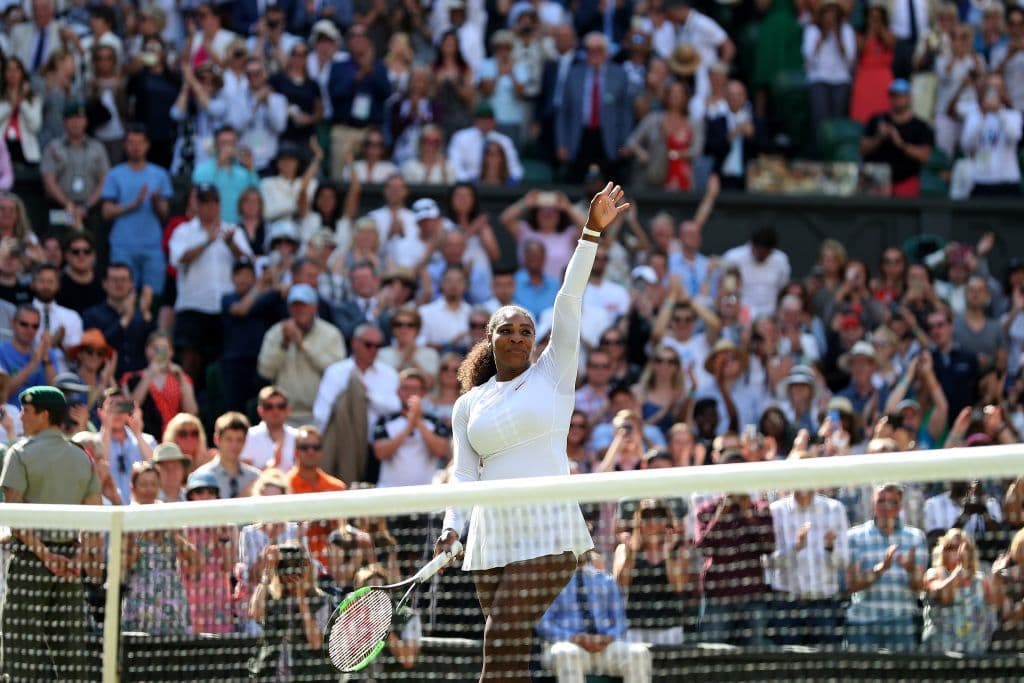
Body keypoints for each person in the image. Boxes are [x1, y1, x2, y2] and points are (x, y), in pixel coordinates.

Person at [434, 182, 630, 681]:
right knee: (509, 653)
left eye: (526, 329)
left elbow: (568, 300)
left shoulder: (553, 373)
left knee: (498, 636)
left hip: (548, 525)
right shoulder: (468, 404)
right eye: (508, 329)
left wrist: (590, 233)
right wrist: (451, 528)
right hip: (490, 533)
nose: (519, 336)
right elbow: (463, 474)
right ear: (490, 339)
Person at [0, 385, 103, 681]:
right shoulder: (82, 456)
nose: (20, 416)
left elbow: (14, 515)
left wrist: (46, 555)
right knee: (72, 655)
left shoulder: (19, 453)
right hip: (70, 564)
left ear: (44, 415)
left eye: (27, 411)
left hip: (32, 563)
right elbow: (95, 519)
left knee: (21, 655)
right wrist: (77, 558)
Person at [538, 549, 653, 683]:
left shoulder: (606, 581)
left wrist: (607, 638)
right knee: (567, 654)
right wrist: (574, 638)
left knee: (639, 653)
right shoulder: (551, 583)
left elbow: (620, 623)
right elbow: (543, 624)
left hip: (604, 648)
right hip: (566, 647)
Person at [845, 483, 928, 651]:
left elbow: (920, 586)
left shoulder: (915, 537)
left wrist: (911, 569)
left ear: (901, 506)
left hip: (901, 621)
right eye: (881, 501)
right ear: (872, 503)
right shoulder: (855, 536)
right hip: (864, 622)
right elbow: (852, 584)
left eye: (893, 502)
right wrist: (881, 569)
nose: (886, 507)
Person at [120, 462, 195, 636]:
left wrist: (172, 532)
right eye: (144, 484)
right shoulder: (126, 517)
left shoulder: (169, 513)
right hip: (139, 596)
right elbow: (124, 563)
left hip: (171, 595)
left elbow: (193, 558)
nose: (149, 489)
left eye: (153, 484)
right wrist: (141, 537)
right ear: (133, 487)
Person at [100, 125, 173, 300]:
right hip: (123, 246)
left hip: (152, 246)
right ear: (124, 145)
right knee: (122, 296)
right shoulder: (115, 174)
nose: (136, 147)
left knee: (154, 296)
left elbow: (165, 214)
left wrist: (155, 202)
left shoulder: (159, 174)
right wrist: (133, 204)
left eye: (140, 142)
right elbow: (106, 212)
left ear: (147, 145)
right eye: (131, 142)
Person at [921, 527, 998, 653]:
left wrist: (998, 577)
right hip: (939, 652)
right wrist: (959, 570)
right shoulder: (933, 574)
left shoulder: (981, 580)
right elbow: (944, 596)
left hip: (974, 651)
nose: (955, 552)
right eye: (950, 547)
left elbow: (994, 608)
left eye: (959, 547)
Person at [859, 79, 934, 198]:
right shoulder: (877, 120)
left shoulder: (920, 126)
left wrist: (900, 143)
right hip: (876, 179)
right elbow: (862, 149)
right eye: (894, 96)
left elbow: (925, 156)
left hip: (905, 179)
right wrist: (879, 138)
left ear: (909, 97)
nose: (897, 99)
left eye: (901, 96)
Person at [192, 411, 261, 498]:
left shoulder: (256, 477)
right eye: (229, 439)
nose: (234, 445)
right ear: (217, 439)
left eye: (239, 440)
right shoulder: (201, 477)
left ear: (245, 442)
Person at [240, 385, 299, 471]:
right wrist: (273, 464)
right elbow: (244, 477)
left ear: (288, 409)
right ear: (260, 411)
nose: (275, 411)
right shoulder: (248, 436)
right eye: (269, 407)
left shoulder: (298, 437)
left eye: (281, 406)